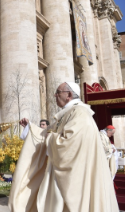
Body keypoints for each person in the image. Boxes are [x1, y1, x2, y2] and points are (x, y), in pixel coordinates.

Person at [9, 82, 118, 212]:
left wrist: (50, 137)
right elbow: (49, 132)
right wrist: (30, 127)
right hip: (64, 171)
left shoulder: (79, 113)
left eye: (58, 92)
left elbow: (69, 144)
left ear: (69, 95)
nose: (55, 95)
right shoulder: (69, 113)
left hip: (72, 175)